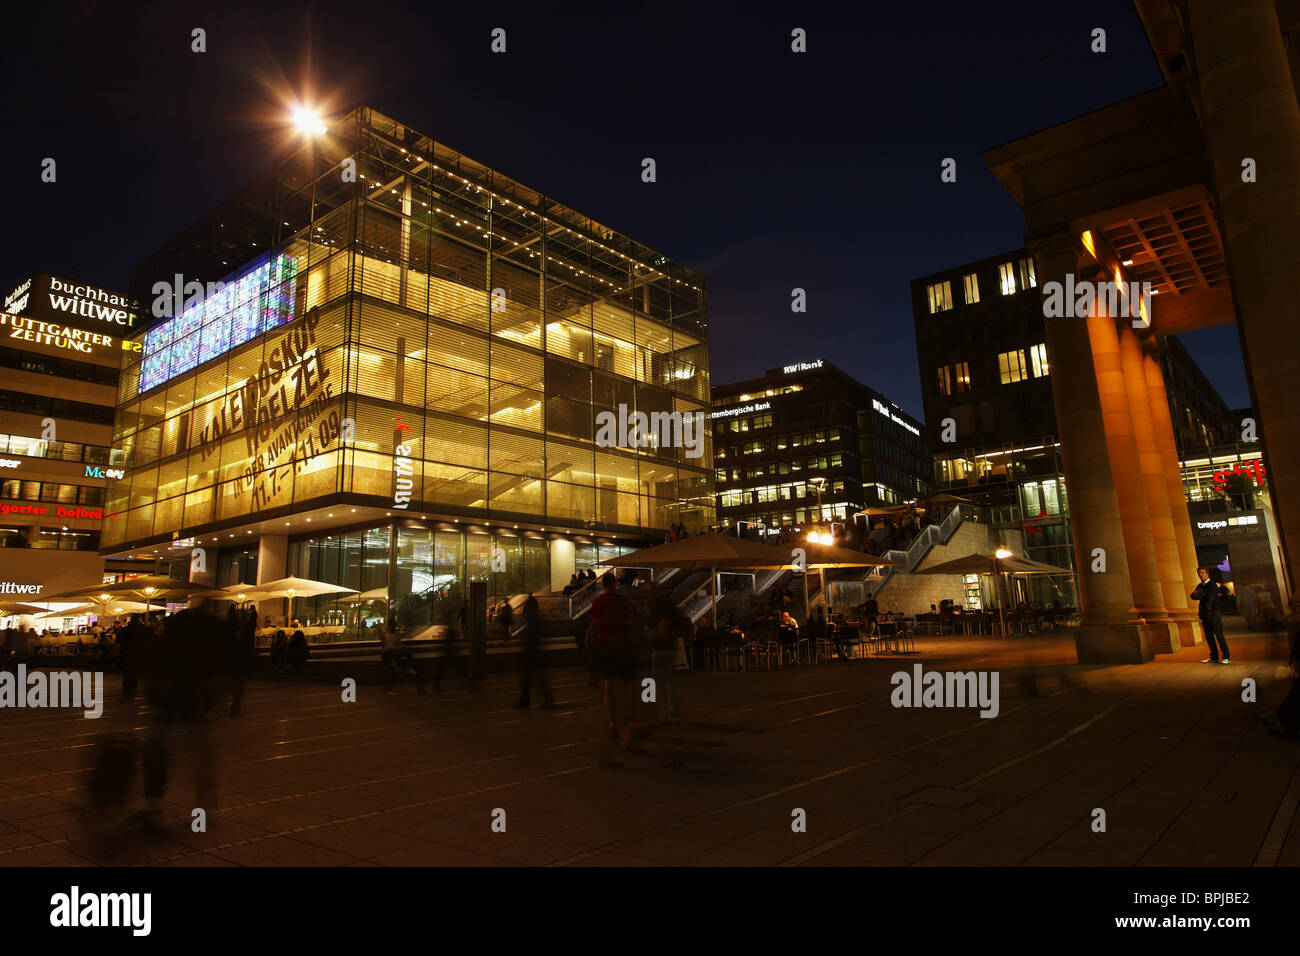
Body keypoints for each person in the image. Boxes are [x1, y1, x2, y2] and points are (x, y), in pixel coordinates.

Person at [137, 598, 223, 829]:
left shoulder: (169, 639)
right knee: (199, 752)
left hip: (166, 701)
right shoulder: (206, 642)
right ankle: (204, 805)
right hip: (191, 702)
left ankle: (153, 807)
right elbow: (214, 672)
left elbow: (153, 667)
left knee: (159, 752)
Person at [590, 572, 642, 767]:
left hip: (605, 646)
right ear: (615, 585)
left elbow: (596, 623)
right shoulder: (623, 602)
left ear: (603, 585)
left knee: (608, 685)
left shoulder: (598, 602)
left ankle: (612, 723)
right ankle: (631, 727)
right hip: (623, 646)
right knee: (630, 686)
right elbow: (631, 621)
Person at [513, 594, 554, 709]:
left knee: (529, 678)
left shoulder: (533, 617)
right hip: (534, 651)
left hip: (531, 651)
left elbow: (532, 634)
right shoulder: (536, 617)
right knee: (536, 677)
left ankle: (527, 700)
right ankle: (545, 697)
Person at [1192, 566, 1231, 664]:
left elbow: (1210, 597)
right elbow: (1193, 596)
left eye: (1203, 573)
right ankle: (1214, 657)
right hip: (1204, 614)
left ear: (1207, 573)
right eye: (1199, 573)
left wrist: (1201, 594)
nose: (1201, 575)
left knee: (1219, 635)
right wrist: (1200, 594)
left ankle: (1226, 656)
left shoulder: (1212, 585)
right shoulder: (1200, 586)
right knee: (1209, 637)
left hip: (1214, 614)